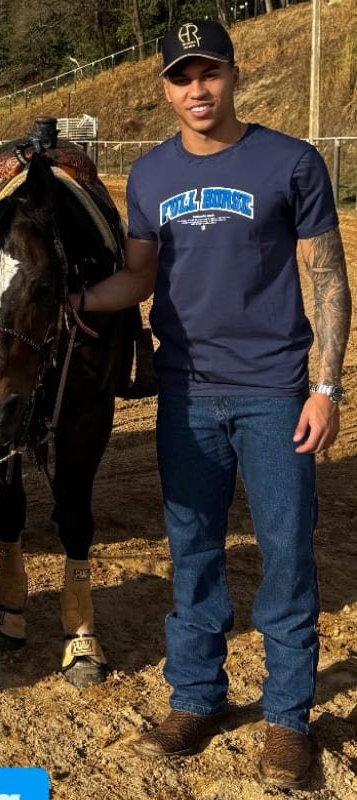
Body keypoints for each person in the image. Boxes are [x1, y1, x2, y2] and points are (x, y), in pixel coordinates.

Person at [80, 20, 350, 789]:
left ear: (235, 76)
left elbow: (327, 280)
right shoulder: (149, 175)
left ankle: (288, 718)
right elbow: (138, 279)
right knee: (192, 549)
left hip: (273, 392)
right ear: (164, 88)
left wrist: (325, 388)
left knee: (288, 555)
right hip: (185, 393)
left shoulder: (290, 162)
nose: (196, 90)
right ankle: (196, 695)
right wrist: (73, 300)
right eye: (181, 77)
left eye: (209, 74)